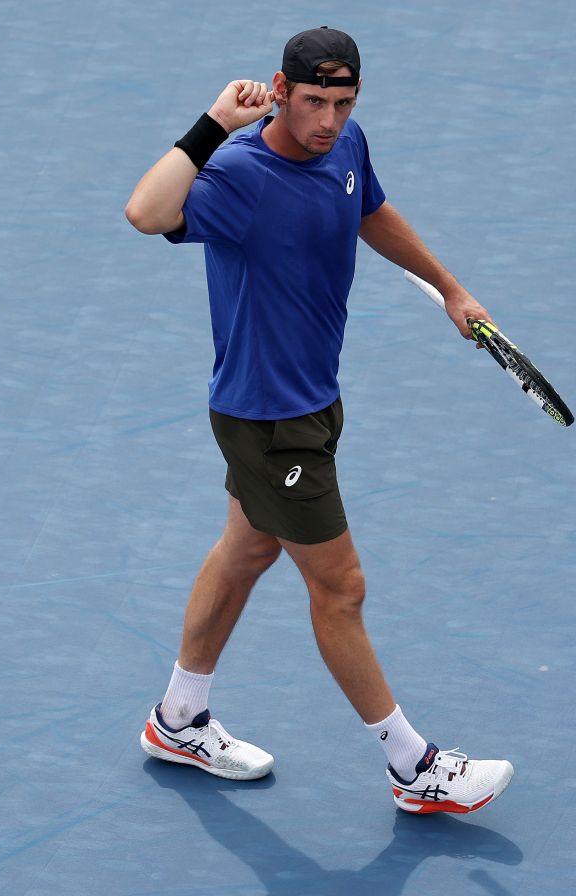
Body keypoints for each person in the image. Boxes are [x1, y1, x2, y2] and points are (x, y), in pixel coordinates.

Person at [124, 26, 513, 815]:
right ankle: (414, 767)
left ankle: (178, 719)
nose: (328, 121)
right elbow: (145, 212)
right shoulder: (239, 174)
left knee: (247, 548)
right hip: (269, 422)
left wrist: (450, 290)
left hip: (312, 401)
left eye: (343, 103)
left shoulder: (345, 146)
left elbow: (369, 209)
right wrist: (214, 124)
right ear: (280, 90)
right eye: (312, 103)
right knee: (340, 588)